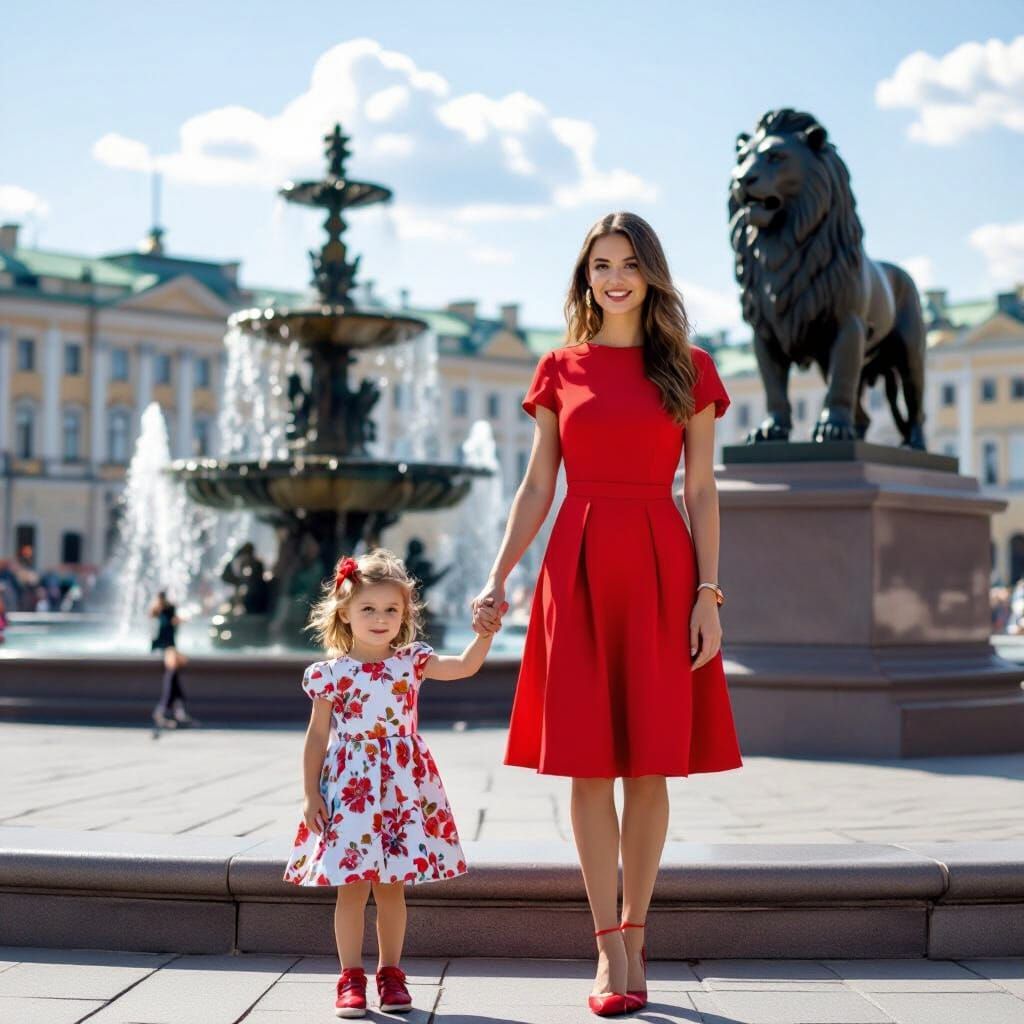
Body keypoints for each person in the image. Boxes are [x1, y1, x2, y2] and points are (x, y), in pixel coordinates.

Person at [472, 211, 744, 1017]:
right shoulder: (559, 368)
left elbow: (700, 491)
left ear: (651, 273)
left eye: (628, 263)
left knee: (650, 765)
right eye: (601, 265)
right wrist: (497, 576)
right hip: (578, 567)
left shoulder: (690, 369)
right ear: (585, 278)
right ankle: (607, 948)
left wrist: (708, 594)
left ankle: (639, 925)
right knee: (590, 765)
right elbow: (535, 487)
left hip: (663, 568)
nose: (615, 276)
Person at [283, 547, 496, 1019]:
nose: (380, 619)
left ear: (405, 614)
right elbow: (318, 736)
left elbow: (463, 666)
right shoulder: (331, 673)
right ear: (345, 611)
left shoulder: (411, 661)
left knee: (393, 887)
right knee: (352, 888)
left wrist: (484, 634)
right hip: (351, 788)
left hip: (401, 787)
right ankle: (349, 978)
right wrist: (309, 792)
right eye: (368, 609)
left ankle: (391, 973)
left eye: (391, 610)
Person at [149, 591, 192, 729]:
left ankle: (178, 713)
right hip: (168, 651)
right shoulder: (166, 616)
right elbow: (167, 638)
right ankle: (162, 712)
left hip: (164, 650)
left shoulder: (158, 614)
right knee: (171, 681)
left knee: (174, 682)